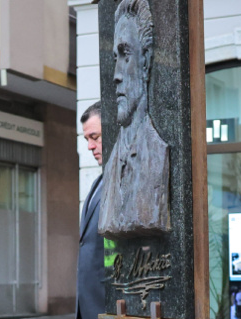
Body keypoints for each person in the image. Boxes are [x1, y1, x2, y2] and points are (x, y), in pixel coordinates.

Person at [77, 102, 160, 319]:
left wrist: (135, 316)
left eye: (95, 137)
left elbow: (143, 245)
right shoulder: (102, 180)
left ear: (112, 131)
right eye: (87, 141)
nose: (91, 146)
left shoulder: (132, 176)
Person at [96, 0, 170, 239]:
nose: (116, 75)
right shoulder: (110, 167)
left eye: (125, 55)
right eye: (114, 58)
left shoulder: (158, 155)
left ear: (146, 61)